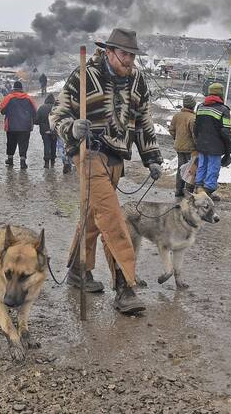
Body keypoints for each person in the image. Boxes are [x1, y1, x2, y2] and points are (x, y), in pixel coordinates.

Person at [50, 28, 163, 315]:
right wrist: (72, 128)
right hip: (88, 154)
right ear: (109, 51)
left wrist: (152, 156)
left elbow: (143, 121)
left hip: (116, 158)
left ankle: (78, 269)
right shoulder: (84, 76)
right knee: (112, 216)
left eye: (133, 56)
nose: (129, 61)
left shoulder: (137, 80)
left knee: (93, 213)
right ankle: (125, 286)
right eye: (124, 54)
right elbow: (57, 115)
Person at [194, 82, 231, 201]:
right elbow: (226, 132)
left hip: (201, 144)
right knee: (213, 169)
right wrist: (228, 149)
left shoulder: (200, 107)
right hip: (216, 146)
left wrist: (198, 140)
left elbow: (196, 127)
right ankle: (207, 193)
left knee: (202, 166)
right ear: (221, 94)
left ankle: (198, 188)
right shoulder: (223, 110)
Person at [0, 81, 37, 169]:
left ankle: (10, 160)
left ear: (14, 88)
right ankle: (22, 161)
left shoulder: (8, 97)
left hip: (11, 126)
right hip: (25, 126)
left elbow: (2, 111)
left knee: (11, 142)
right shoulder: (29, 98)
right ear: (21, 89)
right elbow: (35, 111)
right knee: (23, 144)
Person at [169, 95, 197, 197]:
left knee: (180, 168)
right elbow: (194, 135)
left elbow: (171, 130)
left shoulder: (176, 116)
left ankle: (178, 190)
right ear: (193, 105)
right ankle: (189, 191)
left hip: (179, 147)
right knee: (190, 169)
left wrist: (177, 139)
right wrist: (197, 145)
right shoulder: (193, 118)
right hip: (190, 148)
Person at [34, 94, 57, 168]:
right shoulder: (56, 108)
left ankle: (46, 162)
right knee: (54, 145)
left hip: (44, 131)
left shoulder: (41, 108)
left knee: (46, 145)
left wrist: (40, 123)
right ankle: (53, 162)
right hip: (54, 130)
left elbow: (36, 120)